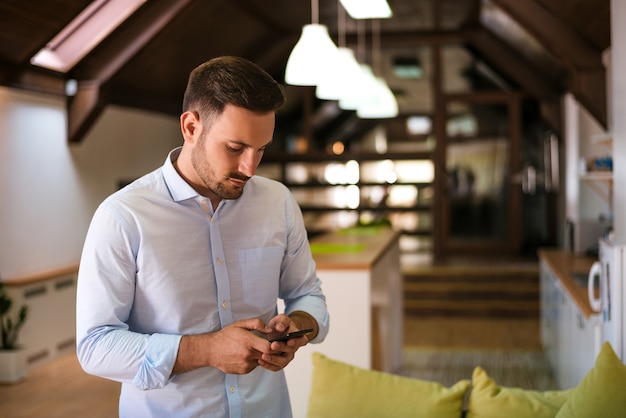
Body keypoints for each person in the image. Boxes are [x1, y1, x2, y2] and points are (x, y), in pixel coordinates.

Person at [76, 56, 329, 418]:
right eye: (235, 147)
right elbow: (95, 346)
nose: (250, 168)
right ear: (191, 126)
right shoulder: (122, 217)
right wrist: (207, 350)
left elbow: (307, 294)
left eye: (261, 149)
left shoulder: (278, 203)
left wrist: (298, 327)